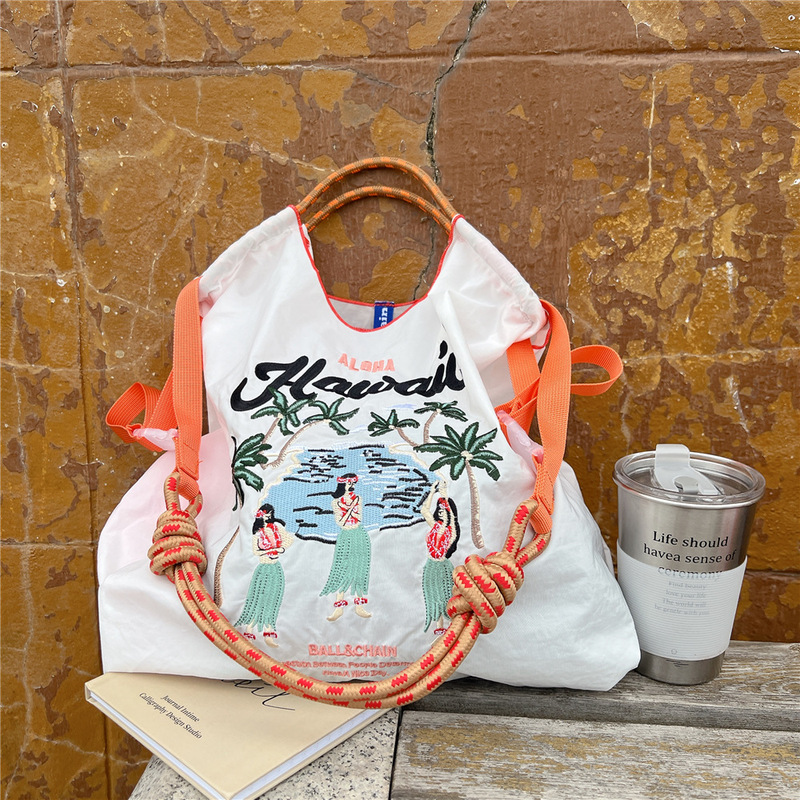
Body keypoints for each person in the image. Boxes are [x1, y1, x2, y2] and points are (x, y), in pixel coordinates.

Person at [235, 502, 294, 646]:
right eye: (265, 515)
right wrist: (270, 551)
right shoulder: (257, 533)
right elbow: (256, 551)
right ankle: (249, 629)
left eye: (270, 515)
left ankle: (269, 630)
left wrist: (280, 548)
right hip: (264, 568)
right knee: (257, 598)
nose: (268, 517)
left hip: (275, 567)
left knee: (273, 599)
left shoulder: (276, 528)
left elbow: (288, 540)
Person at [320, 473, 372, 620]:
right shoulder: (336, 502)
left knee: (360, 569)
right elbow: (341, 522)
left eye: (353, 483)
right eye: (349, 483)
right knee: (342, 570)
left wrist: (349, 512)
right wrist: (350, 510)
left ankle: (359, 606)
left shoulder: (358, 499)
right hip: (346, 535)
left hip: (359, 534)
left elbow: (358, 518)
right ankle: (339, 607)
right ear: (343, 485)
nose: (351, 486)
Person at [419, 481, 460, 635]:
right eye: (440, 509)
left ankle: (451, 625)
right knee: (433, 595)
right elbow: (424, 510)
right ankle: (439, 626)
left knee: (445, 595)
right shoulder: (434, 525)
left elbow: (453, 520)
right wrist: (432, 492)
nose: (441, 512)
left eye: (445, 510)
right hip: (431, 564)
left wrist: (445, 495)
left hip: (443, 565)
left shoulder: (451, 531)